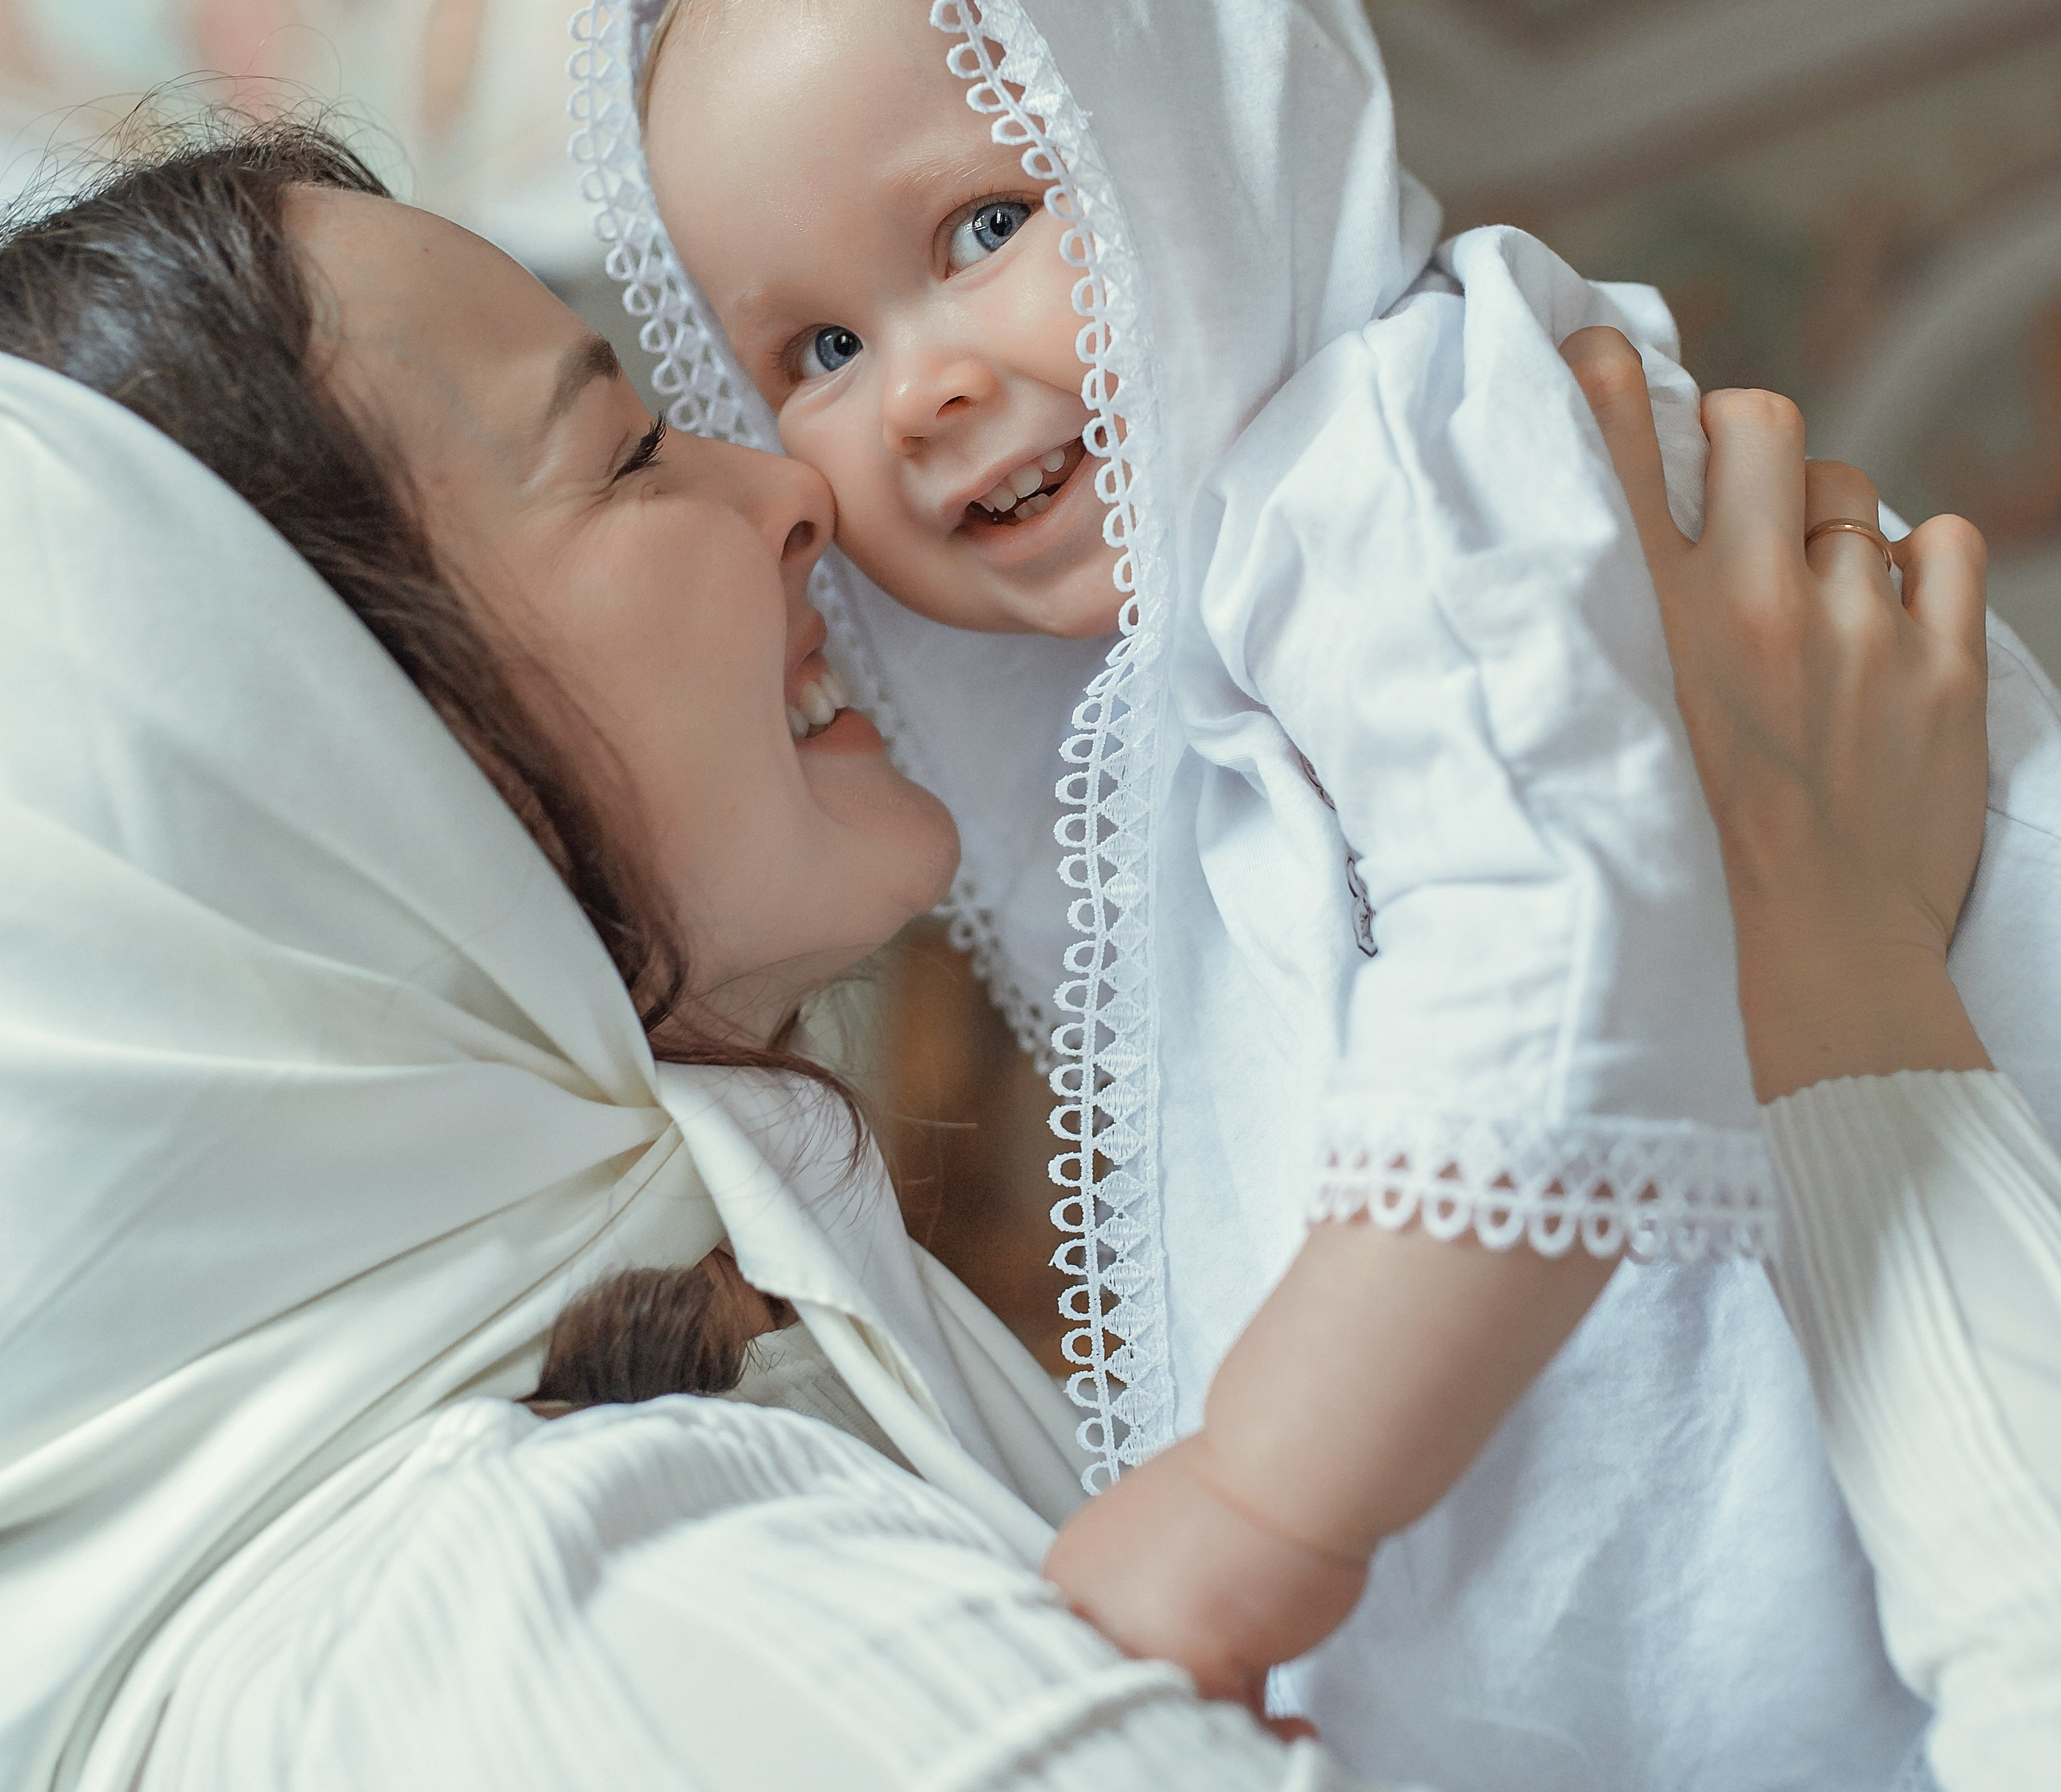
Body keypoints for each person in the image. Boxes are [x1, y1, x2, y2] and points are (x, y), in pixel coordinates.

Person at [0, 127, 2052, 1792]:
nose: (789, 485)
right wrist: (1842, 1003)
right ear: (359, 785)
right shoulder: (605, 1629)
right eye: (623, 451)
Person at [586, 0, 2061, 1781]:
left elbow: (1553, 940)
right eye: (814, 351)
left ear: (1196, 127)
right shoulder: (1223, 677)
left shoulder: (1403, 453)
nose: (916, 381)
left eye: (986, 223)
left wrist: (1262, 1500)